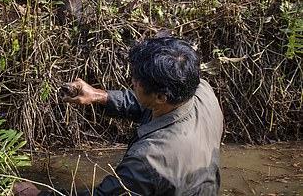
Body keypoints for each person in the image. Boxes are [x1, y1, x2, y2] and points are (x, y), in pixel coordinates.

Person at [13, 37, 224, 195]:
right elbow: (149, 105)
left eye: (137, 80)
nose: (132, 81)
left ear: (160, 96)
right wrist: (99, 96)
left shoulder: (148, 160)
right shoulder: (200, 90)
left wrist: (39, 195)